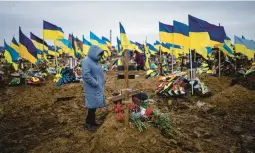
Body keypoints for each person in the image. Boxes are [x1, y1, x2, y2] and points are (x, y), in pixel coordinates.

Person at [82, 45, 105, 131]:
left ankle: (93, 121)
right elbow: (86, 75)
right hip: (92, 87)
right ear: (94, 53)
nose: (100, 57)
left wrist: (102, 80)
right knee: (91, 106)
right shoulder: (86, 61)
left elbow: (98, 73)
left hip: (97, 87)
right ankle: (88, 123)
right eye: (99, 54)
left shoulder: (95, 61)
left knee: (94, 106)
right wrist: (95, 83)